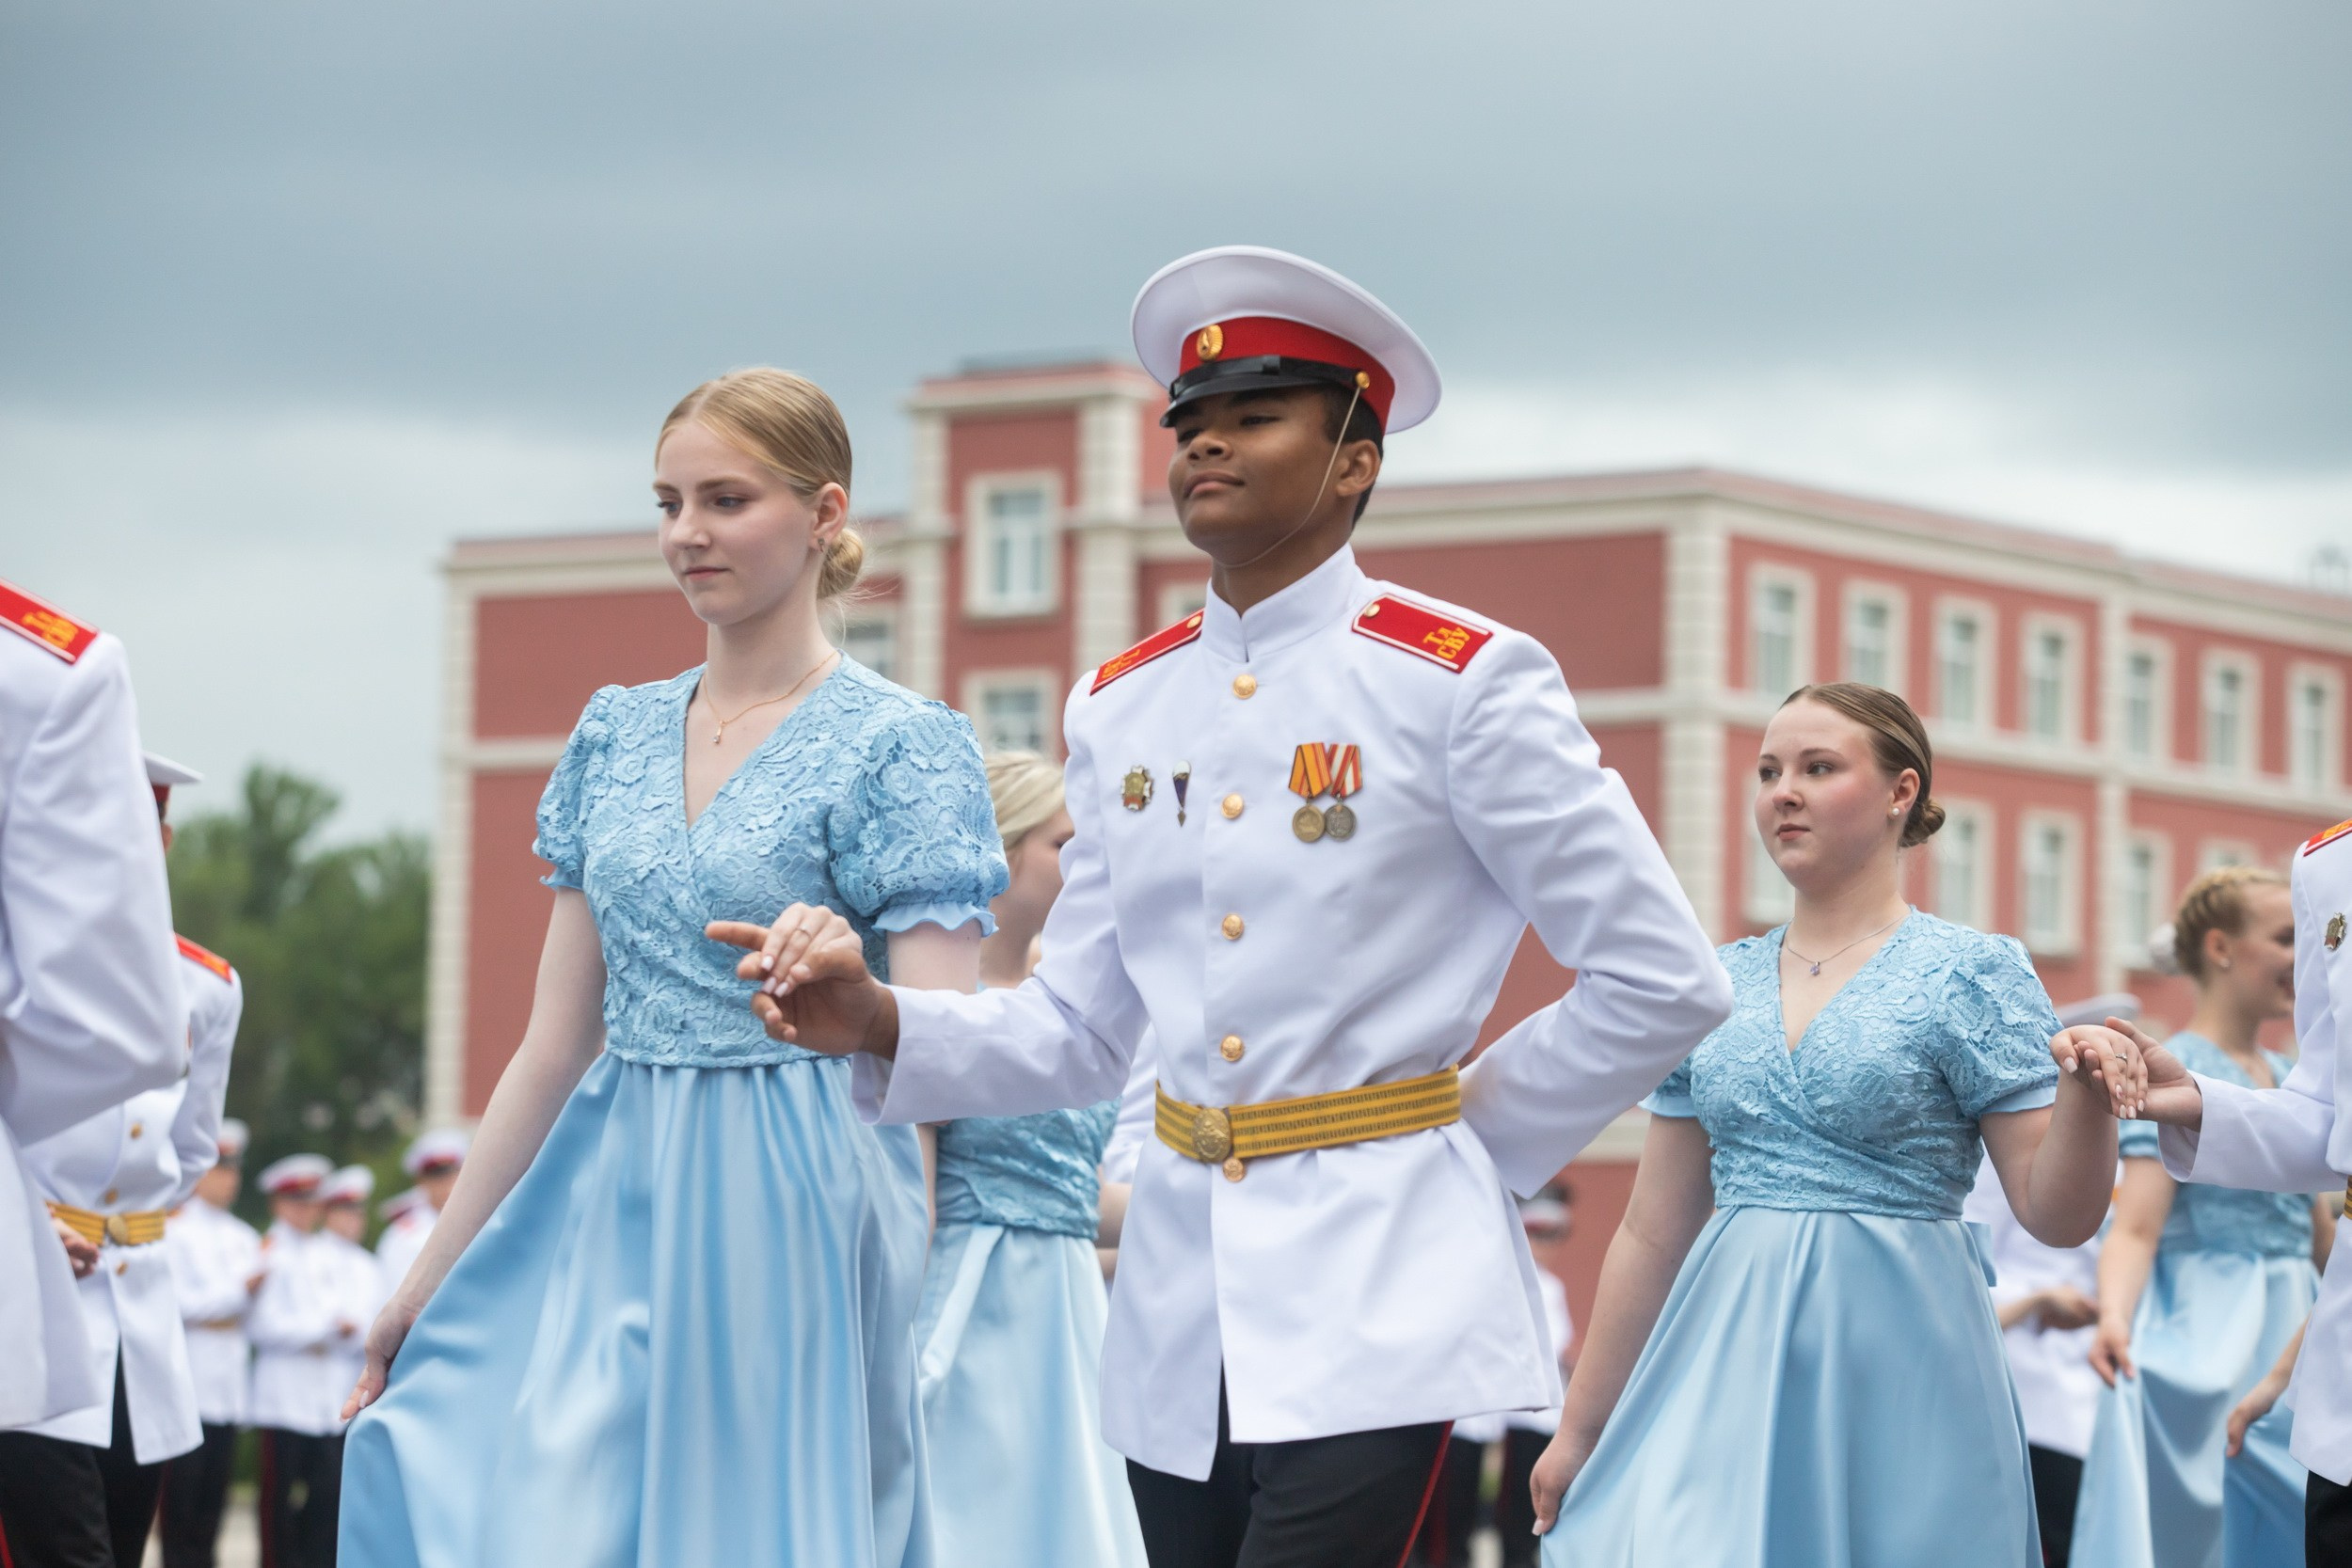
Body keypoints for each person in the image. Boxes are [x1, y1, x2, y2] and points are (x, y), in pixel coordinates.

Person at [721, 246, 1736, 1568]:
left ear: (1354, 459)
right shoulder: (1122, 701)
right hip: (1177, 1304)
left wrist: (1461, 1139)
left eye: (1255, 417)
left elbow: (1663, 975)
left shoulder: (1460, 680)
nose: (1205, 444)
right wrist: (879, 1019)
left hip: (1382, 1286)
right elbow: (1082, 1025)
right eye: (1188, 423)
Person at [336, 368, 1007, 1568]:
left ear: (825, 511)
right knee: (547, 1510)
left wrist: (894, 1278)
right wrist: (428, 1275)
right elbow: (553, 1044)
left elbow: (940, 1050)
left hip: (803, 1194)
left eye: (725, 499)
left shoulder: (904, 743)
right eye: (668, 501)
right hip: (614, 1179)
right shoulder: (614, 731)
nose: (687, 532)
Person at [1529, 683, 2144, 1566]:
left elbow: (2057, 1215)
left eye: (1818, 768)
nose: (1783, 792)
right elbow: (1651, 1233)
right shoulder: (1715, 983)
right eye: (1768, 771)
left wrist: (2085, 1094)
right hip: (1726, 1351)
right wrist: (1579, 1429)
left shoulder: (1975, 971)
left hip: (1906, 1364)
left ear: (1901, 791)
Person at [914, 750, 1147, 1568]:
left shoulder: (1075, 1005)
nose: (1084, 860)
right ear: (1001, 848)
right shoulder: (938, 998)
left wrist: (1217, 1206)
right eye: (1062, 842)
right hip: (970, 1308)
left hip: (1070, 1310)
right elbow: (910, 1186)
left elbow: (1073, 1193)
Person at [5, 752, 236, 1568]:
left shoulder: (206, 987)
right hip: (29, 1312)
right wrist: (25, 1223)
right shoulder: (18, 963)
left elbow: (192, 1147)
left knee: (122, 1544)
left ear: (162, 841)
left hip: (140, 1324)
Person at [0, 580, 188, 1568]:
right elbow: (116, 1035)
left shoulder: (210, 986)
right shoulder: (40, 674)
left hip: (132, 1305)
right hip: (41, 1279)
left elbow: (187, 1147)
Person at [2073, 868, 2328, 1567]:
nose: (2303, 956)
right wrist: (2114, 1317)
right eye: (2287, 938)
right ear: (2220, 948)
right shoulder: (2176, 1066)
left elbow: (2320, 1232)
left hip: (2294, 1318)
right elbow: (2135, 1226)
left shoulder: (2290, 1073)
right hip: (2211, 1327)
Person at [1962, 993, 2134, 1568]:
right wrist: (2038, 1301)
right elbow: (1980, 1253)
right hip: (2029, 1384)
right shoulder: (2008, 1151)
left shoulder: (2124, 1154)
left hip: (2092, 1380)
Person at [159, 1118, 264, 1568]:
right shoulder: (174, 1229)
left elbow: (258, 1317)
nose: (229, 1179)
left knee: (212, 1502)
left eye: (234, 1169)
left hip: (227, 1379)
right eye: (220, 1168)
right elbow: (177, 1303)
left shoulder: (245, 1236)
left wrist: (233, 1303)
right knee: (181, 1499)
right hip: (190, 1377)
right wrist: (238, 1293)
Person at [247, 1154, 349, 1568]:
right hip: (283, 1395)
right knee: (279, 1497)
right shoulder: (268, 1252)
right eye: (297, 1202)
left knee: (326, 1494)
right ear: (278, 1204)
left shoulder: (324, 1252)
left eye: (312, 1202)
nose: (306, 1211)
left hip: (322, 1396)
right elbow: (263, 1326)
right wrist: (323, 1329)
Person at [370, 1130, 464, 1291]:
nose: (448, 1183)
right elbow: (398, 1292)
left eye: (453, 1173)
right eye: (438, 1175)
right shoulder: (402, 1235)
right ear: (420, 1181)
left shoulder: (475, 1224)